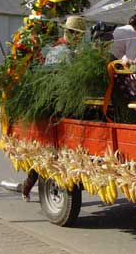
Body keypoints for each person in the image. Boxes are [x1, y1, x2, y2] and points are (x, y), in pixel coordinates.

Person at [23, 15, 87, 202]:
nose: (80, 39)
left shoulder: (55, 50)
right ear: (72, 33)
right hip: (60, 105)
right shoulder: (66, 53)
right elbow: (74, 80)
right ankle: (28, 187)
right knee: (47, 153)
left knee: (45, 153)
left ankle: (26, 188)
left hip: (53, 103)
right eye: (79, 35)